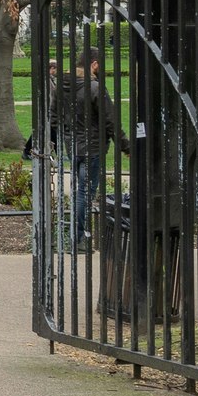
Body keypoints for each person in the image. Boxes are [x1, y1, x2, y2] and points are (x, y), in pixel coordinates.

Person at [64, 48, 120, 248]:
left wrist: (68, 137)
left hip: (74, 147)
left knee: (80, 191)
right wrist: (125, 144)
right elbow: (110, 119)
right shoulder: (95, 87)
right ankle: (79, 238)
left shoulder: (65, 85)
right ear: (94, 64)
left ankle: (74, 235)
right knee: (85, 193)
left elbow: (55, 117)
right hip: (92, 147)